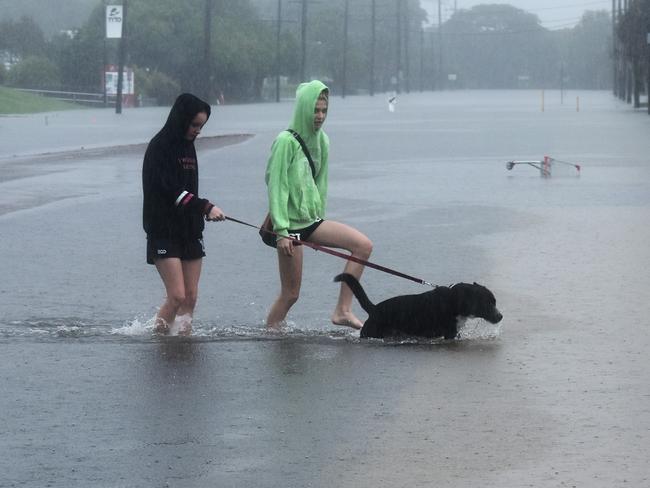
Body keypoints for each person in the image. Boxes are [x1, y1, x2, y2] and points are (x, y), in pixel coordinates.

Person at [265, 80, 373, 330]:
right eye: (315, 110)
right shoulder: (285, 141)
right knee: (291, 294)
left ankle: (342, 310)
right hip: (289, 225)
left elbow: (319, 183)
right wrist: (281, 231)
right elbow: (276, 185)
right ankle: (270, 337)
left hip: (311, 222)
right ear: (304, 108)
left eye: (324, 110)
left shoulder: (322, 140)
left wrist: (318, 218)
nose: (320, 116)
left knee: (363, 246)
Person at [142, 93, 225, 335]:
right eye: (194, 125)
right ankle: (158, 339)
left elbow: (188, 189)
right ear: (181, 119)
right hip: (162, 230)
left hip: (189, 229)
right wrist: (206, 207)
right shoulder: (160, 147)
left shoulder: (188, 147)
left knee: (190, 296)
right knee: (177, 295)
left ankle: (182, 341)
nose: (197, 131)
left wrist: (201, 213)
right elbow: (170, 190)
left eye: (201, 126)